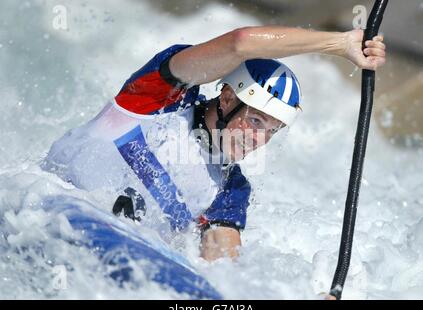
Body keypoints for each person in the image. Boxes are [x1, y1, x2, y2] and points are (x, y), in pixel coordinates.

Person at [43, 26, 386, 263]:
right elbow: (239, 43)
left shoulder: (230, 189)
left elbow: (220, 267)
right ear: (225, 98)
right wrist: (338, 44)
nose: (258, 140)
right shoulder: (158, 98)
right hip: (39, 214)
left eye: (271, 131)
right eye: (254, 121)